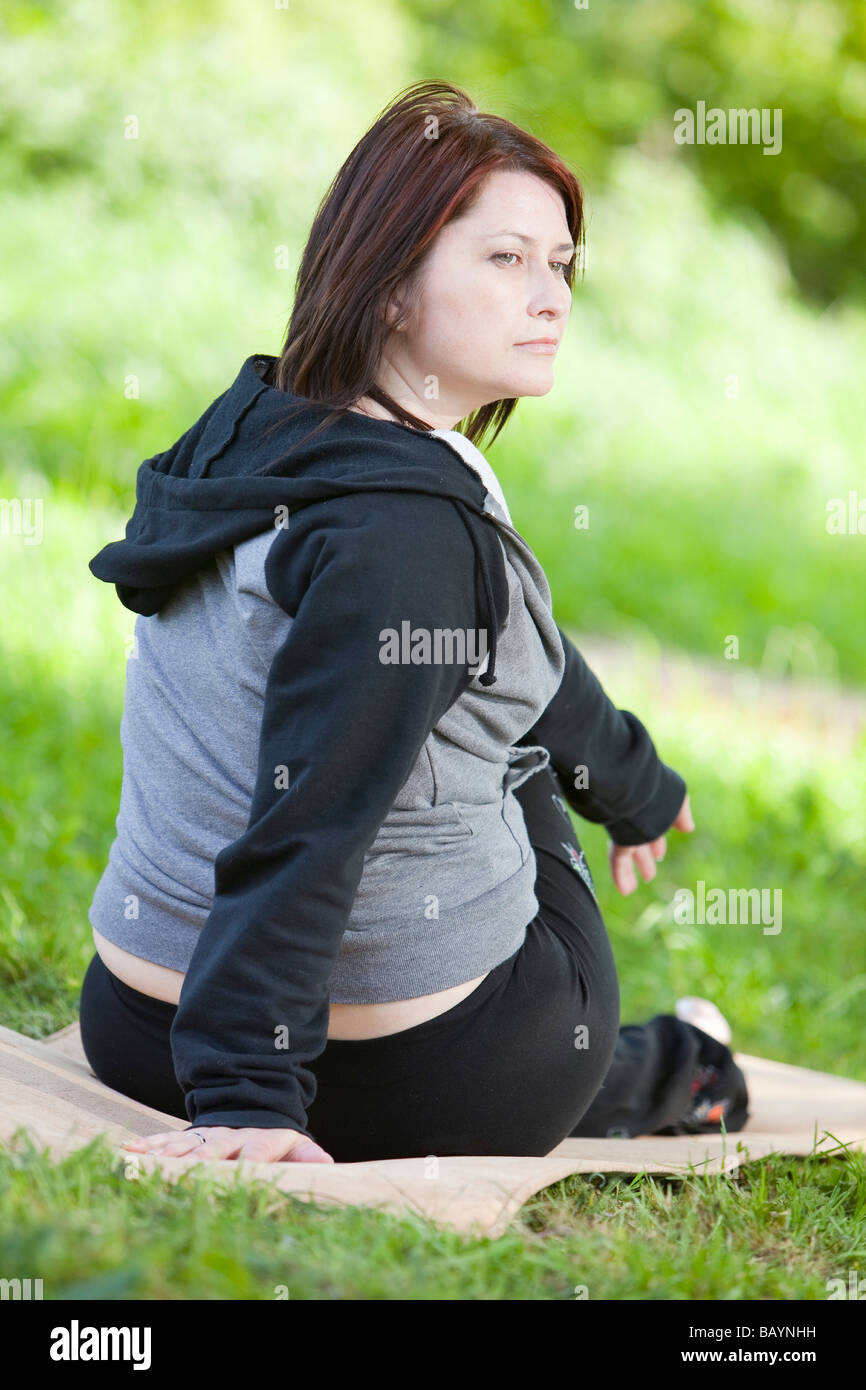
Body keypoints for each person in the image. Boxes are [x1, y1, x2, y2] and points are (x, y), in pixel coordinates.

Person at [80, 79, 749, 1165]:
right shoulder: (412, 536)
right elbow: (314, 818)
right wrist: (248, 1098)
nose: (551, 297)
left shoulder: (246, 430)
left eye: (560, 264)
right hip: (413, 1083)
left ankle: (682, 1060)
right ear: (388, 287)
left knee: (480, 657)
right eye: (504, 258)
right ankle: (687, 1065)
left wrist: (633, 787)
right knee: (500, 697)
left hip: (138, 1028)